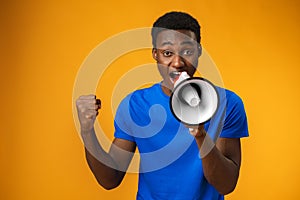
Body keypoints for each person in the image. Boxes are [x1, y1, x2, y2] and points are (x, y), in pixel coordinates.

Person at [76, 11, 249, 200]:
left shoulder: (227, 103)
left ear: (199, 51)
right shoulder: (135, 105)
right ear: (155, 55)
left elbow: (226, 184)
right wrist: (87, 130)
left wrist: (200, 134)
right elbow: (109, 180)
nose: (177, 63)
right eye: (167, 53)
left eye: (187, 52)